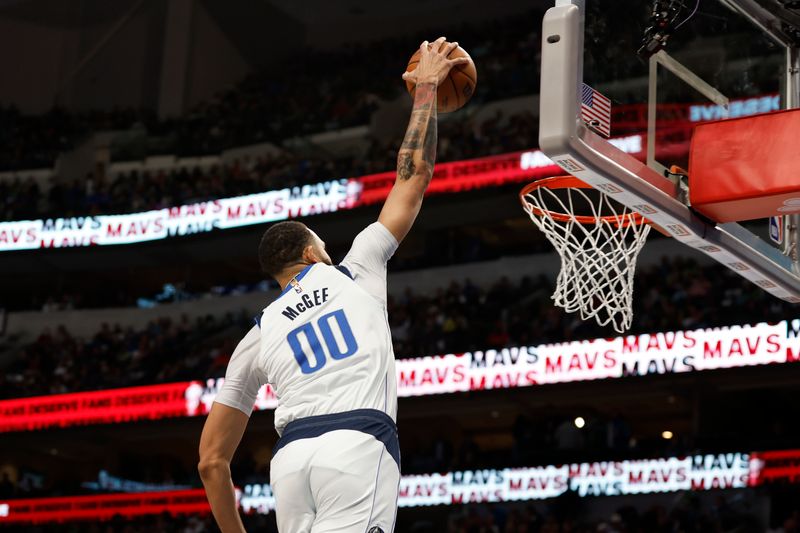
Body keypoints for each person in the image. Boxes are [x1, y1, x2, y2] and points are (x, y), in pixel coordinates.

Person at [198, 37, 470, 533]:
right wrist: (427, 89)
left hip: (292, 461)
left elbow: (211, 463)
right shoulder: (356, 268)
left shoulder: (256, 336)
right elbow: (414, 176)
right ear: (309, 254)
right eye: (322, 244)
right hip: (356, 445)